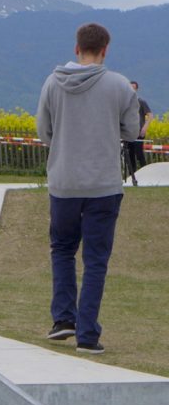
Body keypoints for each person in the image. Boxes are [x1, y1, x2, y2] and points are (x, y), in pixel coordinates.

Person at [35, 23, 139, 355]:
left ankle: (63, 319)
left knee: (62, 250)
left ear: (76, 47)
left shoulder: (53, 83)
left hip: (64, 181)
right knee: (96, 259)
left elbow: (43, 131)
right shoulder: (120, 85)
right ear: (105, 49)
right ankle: (88, 334)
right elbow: (131, 130)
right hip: (103, 185)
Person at [126, 80, 153, 174]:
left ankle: (145, 174)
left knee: (139, 154)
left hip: (139, 132)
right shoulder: (125, 102)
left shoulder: (141, 102)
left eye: (134, 88)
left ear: (137, 89)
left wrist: (145, 127)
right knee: (130, 155)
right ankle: (132, 176)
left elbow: (150, 115)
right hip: (128, 132)